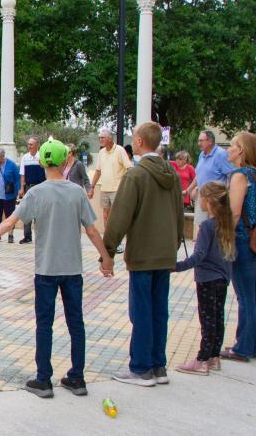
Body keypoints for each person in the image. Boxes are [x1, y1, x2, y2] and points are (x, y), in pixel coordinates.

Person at [0, 139, 113, 399]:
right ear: (65, 162)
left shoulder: (36, 193)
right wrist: (106, 258)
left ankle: (43, 379)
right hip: (73, 270)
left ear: (41, 162)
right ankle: (77, 377)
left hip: (46, 271)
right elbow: (93, 230)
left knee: (44, 324)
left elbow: (9, 223)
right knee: (77, 324)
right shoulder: (76, 192)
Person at [103, 122, 184, 387]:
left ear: (138, 141)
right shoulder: (170, 174)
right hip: (164, 252)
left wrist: (108, 251)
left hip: (143, 254)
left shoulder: (136, 175)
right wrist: (174, 243)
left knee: (141, 310)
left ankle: (140, 367)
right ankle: (158, 365)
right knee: (159, 309)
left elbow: (119, 217)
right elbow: (179, 213)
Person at [220, 132, 256, 362]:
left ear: (241, 150)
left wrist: (224, 241)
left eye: (232, 146)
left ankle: (242, 347)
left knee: (244, 296)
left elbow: (234, 212)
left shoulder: (240, 175)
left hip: (243, 239)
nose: (229, 150)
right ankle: (253, 345)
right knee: (255, 295)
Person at [173, 182, 235, 375]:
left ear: (209, 202)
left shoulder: (207, 226)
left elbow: (198, 255)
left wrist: (176, 267)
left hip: (207, 278)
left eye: (200, 197)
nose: (197, 200)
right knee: (218, 317)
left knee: (207, 319)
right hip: (222, 277)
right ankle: (213, 357)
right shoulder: (227, 224)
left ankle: (201, 360)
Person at [89, 129, 132, 252]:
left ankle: (117, 242)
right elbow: (98, 171)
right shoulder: (102, 152)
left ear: (109, 138)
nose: (100, 140)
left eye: (102, 137)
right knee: (105, 215)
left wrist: (128, 186)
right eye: (99, 138)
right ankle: (108, 241)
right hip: (104, 189)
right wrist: (92, 187)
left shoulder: (119, 150)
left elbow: (129, 168)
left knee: (116, 216)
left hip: (117, 189)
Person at [192, 130, 234, 228]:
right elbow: (199, 174)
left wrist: (225, 192)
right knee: (201, 227)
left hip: (215, 199)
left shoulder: (221, 154)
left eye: (201, 141)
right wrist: (191, 189)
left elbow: (231, 174)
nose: (199, 144)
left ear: (210, 141)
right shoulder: (201, 155)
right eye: (199, 141)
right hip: (202, 196)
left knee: (215, 228)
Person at [18, 137, 45, 244]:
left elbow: (46, 172)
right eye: (28, 144)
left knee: (40, 212)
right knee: (27, 210)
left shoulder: (41, 157)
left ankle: (40, 236)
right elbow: (22, 174)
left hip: (40, 186)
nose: (29, 146)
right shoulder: (25, 157)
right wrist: (21, 188)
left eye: (31, 144)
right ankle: (27, 236)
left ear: (37, 145)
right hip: (28, 187)